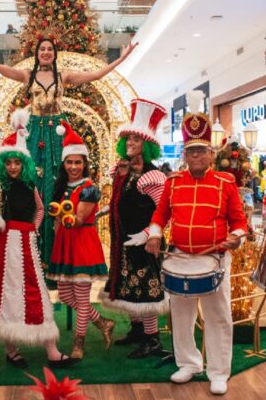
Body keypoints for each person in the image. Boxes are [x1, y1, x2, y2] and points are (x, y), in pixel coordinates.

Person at [0, 32, 138, 272]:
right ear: (37, 53)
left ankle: (55, 259)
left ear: (54, 53)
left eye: (50, 49)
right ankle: (33, 256)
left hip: (57, 133)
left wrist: (121, 59)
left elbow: (96, 75)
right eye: (42, 49)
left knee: (57, 184)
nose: (46, 53)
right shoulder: (27, 76)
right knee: (33, 183)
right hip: (35, 133)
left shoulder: (64, 76)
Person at [137, 90, 247, 395]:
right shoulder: (173, 183)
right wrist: (155, 234)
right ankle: (188, 363)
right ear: (184, 155)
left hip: (215, 260)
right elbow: (159, 217)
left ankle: (218, 371)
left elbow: (239, 222)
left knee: (218, 317)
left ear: (211, 154)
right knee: (181, 316)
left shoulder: (226, 183)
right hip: (181, 259)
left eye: (202, 151)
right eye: (191, 151)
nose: (197, 156)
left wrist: (235, 238)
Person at [0, 110, 79, 369]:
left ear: (23, 163)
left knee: (35, 292)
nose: (13, 167)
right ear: (3, 164)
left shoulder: (31, 186)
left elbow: (40, 210)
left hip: (26, 246)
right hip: (3, 247)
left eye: (17, 162)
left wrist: (35, 229)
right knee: (5, 294)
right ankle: (11, 349)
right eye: (9, 163)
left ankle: (51, 350)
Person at [99, 98, 170, 359]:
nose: (130, 143)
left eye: (136, 140)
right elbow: (121, 201)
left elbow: (164, 210)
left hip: (143, 243)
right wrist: (103, 212)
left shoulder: (154, 176)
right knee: (128, 288)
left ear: (147, 145)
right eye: (128, 139)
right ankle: (137, 331)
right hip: (122, 242)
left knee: (145, 290)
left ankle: (152, 340)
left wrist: (148, 235)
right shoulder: (126, 171)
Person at [46, 120, 114, 359]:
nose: (74, 166)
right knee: (65, 295)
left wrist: (61, 217)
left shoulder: (90, 188)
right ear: (64, 163)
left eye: (78, 162)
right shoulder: (62, 186)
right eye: (69, 162)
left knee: (82, 298)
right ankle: (103, 322)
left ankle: (79, 344)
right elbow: (57, 222)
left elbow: (77, 218)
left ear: (85, 163)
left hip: (82, 241)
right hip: (64, 245)